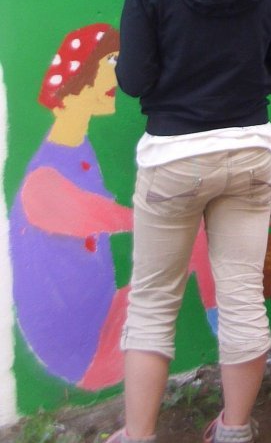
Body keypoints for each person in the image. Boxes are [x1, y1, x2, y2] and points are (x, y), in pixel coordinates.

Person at [112, 0, 271, 443]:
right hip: (247, 156)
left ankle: (137, 436)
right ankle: (235, 430)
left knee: (152, 305)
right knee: (244, 299)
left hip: (172, 159)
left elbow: (135, 79)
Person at [13, 25, 218, 392]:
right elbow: (112, 218)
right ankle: (230, 336)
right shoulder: (43, 179)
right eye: (109, 59)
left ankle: (227, 332)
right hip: (85, 354)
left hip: (103, 322)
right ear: (77, 74)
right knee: (194, 234)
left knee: (194, 234)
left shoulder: (79, 152)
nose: (117, 72)